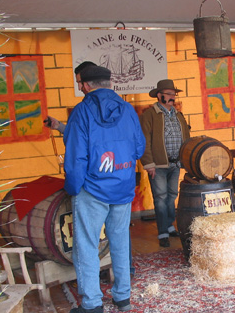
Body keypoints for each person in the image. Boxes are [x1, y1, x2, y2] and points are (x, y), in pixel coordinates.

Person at [64, 65, 146, 313]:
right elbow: (139, 148)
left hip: (92, 189)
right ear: (108, 83)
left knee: (87, 245)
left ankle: (91, 304)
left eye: (80, 83)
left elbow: (76, 158)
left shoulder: (81, 112)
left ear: (87, 85)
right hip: (122, 187)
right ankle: (123, 297)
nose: (79, 87)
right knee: (120, 242)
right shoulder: (127, 110)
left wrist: (73, 188)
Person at [140, 79, 190, 248]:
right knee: (161, 198)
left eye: (173, 95)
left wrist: (186, 159)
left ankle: (169, 226)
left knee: (171, 197)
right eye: (169, 94)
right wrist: (148, 163)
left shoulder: (178, 115)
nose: (172, 98)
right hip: (158, 165)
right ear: (159, 96)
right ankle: (162, 232)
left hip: (175, 164)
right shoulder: (149, 115)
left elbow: (186, 137)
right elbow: (144, 140)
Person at [45, 61, 97, 133]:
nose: (79, 88)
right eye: (78, 83)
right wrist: (58, 126)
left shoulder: (84, 108)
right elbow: (80, 134)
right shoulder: (84, 107)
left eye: (81, 82)